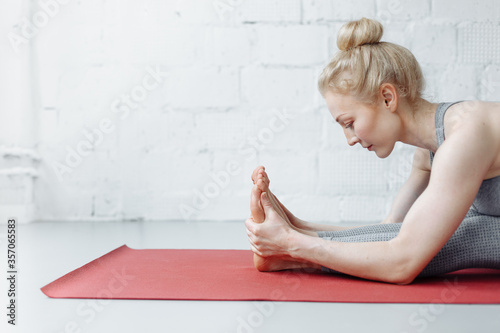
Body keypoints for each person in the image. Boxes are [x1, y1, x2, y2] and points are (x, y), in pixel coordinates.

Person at [244, 17, 500, 284]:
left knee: (467, 235)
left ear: (387, 98)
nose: (350, 139)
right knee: (430, 232)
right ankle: (286, 252)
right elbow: (391, 230)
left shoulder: (465, 137)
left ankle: (289, 254)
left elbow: (403, 262)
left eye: (350, 123)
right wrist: (299, 227)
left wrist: (291, 242)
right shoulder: (430, 151)